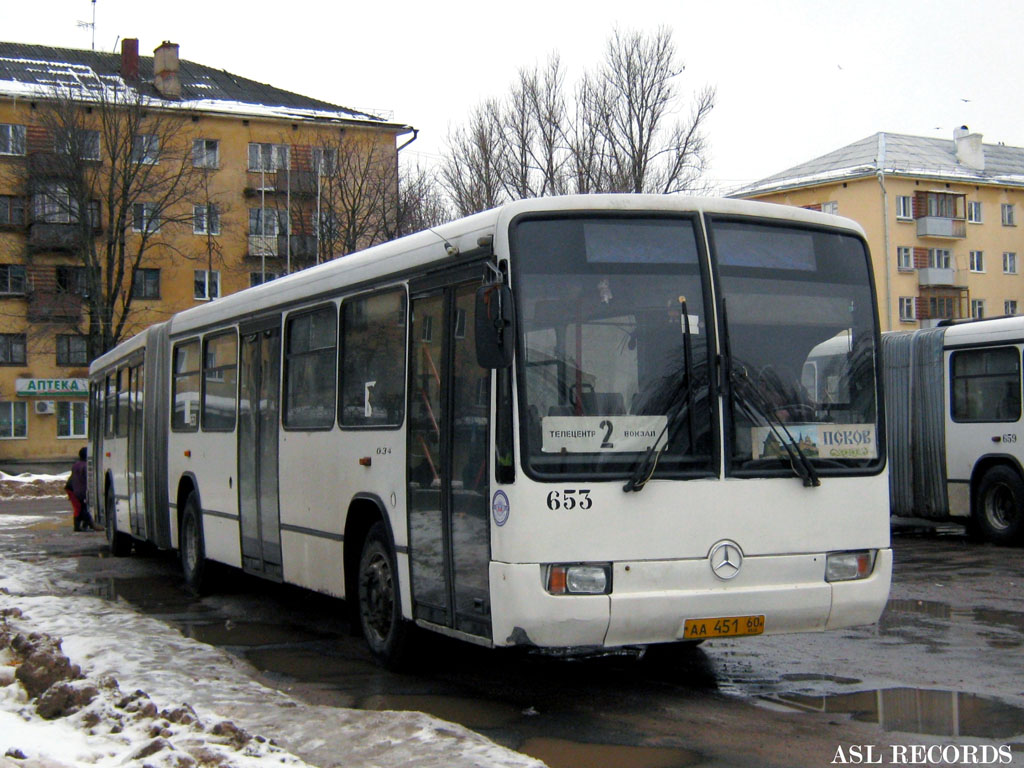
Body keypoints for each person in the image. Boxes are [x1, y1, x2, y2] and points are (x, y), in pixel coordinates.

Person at [66, 447, 99, 532]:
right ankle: (78, 527)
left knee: (83, 507)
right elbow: (84, 481)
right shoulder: (85, 466)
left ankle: (87, 525)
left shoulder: (77, 464)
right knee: (79, 508)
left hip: (73, 489)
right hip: (74, 490)